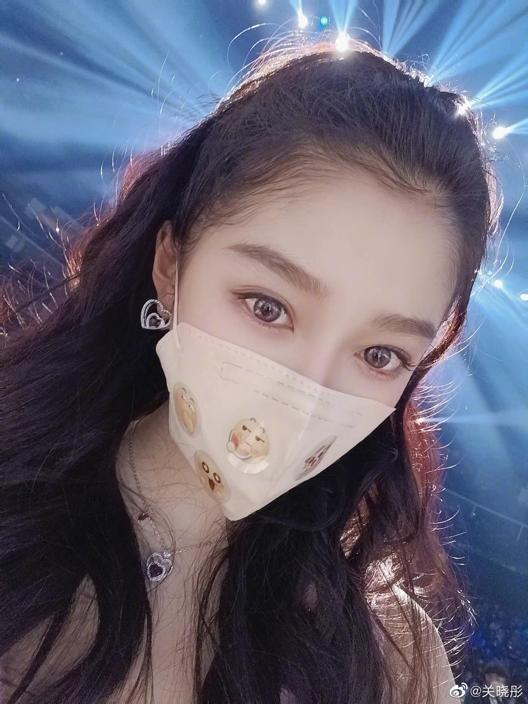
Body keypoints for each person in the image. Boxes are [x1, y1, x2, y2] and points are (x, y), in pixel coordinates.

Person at [0, 35, 503, 704]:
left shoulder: (389, 659)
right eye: (268, 306)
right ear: (171, 266)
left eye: (379, 355)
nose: (308, 391)